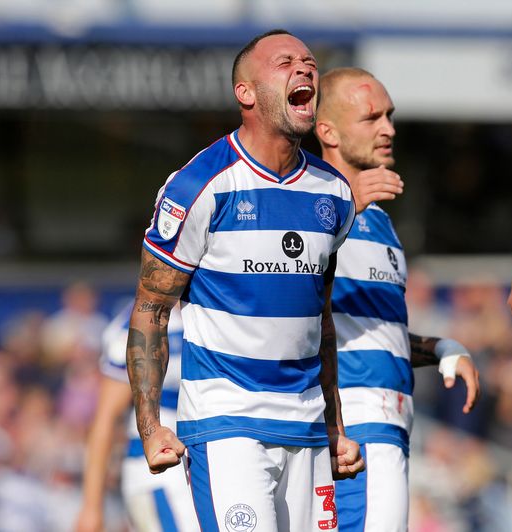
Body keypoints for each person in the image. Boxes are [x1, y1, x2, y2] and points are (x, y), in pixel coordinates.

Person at [126, 29, 365, 532]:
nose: (304, 69)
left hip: (305, 427)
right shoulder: (201, 185)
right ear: (246, 93)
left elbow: (319, 322)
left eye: (309, 62)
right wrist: (149, 427)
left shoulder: (335, 195)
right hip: (227, 422)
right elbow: (151, 309)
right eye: (285, 63)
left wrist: (334, 424)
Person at [315, 66, 481, 532]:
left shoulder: (382, 223)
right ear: (327, 130)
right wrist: (344, 204)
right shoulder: (306, 205)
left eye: (390, 115)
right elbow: (281, 307)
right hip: (351, 426)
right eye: (372, 118)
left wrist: (441, 350)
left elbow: (370, 330)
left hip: (389, 423)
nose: (388, 128)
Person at [75, 302, 198, 532]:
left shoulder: (221, 306)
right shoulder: (140, 321)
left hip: (210, 466)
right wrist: (91, 507)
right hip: (160, 476)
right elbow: (106, 418)